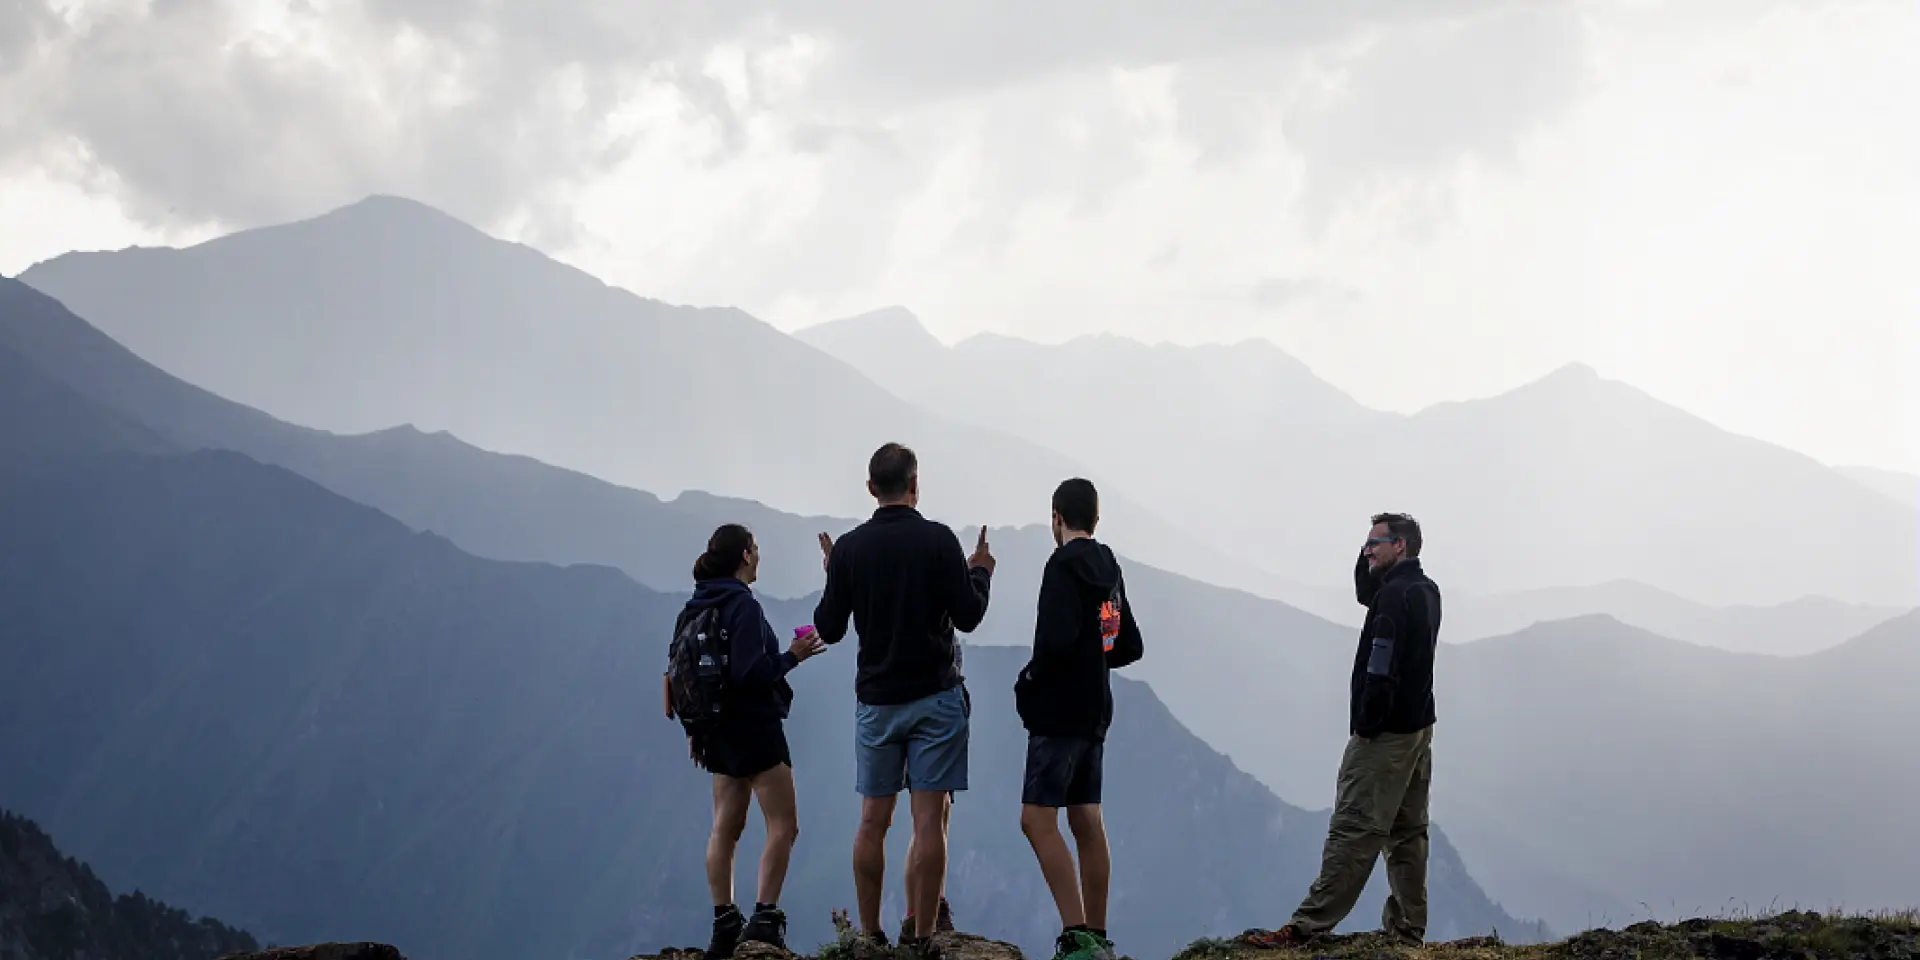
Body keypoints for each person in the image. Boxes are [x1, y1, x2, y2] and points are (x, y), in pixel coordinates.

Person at [814, 442, 994, 957]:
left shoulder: (850, 550)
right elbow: (969, 615)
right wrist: (980, 571)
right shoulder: (938, 541)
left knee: (873, 820)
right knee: (928, 819)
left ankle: (869, 936)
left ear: (871, 488)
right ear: (915, 485)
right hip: (935, 697)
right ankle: (922, 938)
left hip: (877, 703)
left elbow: (829, 627)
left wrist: (836, 574)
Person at [1241, 512, 1440, 947]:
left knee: (1354, 827)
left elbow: (1381, 666)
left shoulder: (1394, 598)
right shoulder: (1423, 590)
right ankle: (1408, 928)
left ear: (1399, 545)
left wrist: (1366, 724)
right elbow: (1366, 592)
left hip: (1385, 735)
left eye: (1374, 544)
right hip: (1418, 729)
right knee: (1407, 831)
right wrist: (1367, 555)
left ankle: (1306, 927)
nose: (1367, 551)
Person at [667, 524, 828, 958]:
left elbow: (681, 675)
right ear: (744, 555)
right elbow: (750, 674)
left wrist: (695, 728)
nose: (758, 556)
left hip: (714, 735)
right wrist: (793, 656)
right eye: (755, 549)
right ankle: (764, 919)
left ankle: (724, 922)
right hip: (755, 729)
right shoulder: (743, 606)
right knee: (783, 824)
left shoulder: (694, 607)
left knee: (725, 828)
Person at [1014, 478, 1143, 960]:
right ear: (1096, 518)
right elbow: (1126, 643)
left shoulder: (1062, 565)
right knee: (1086, 817)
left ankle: (1076, 934)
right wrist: (1096, 654)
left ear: (1057, 517)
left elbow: (1055, 641)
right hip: (1095, 708)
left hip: (1059, 710)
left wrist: (1029, 681)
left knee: (1036, 819)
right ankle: (1099, 934)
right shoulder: (1109, 568)